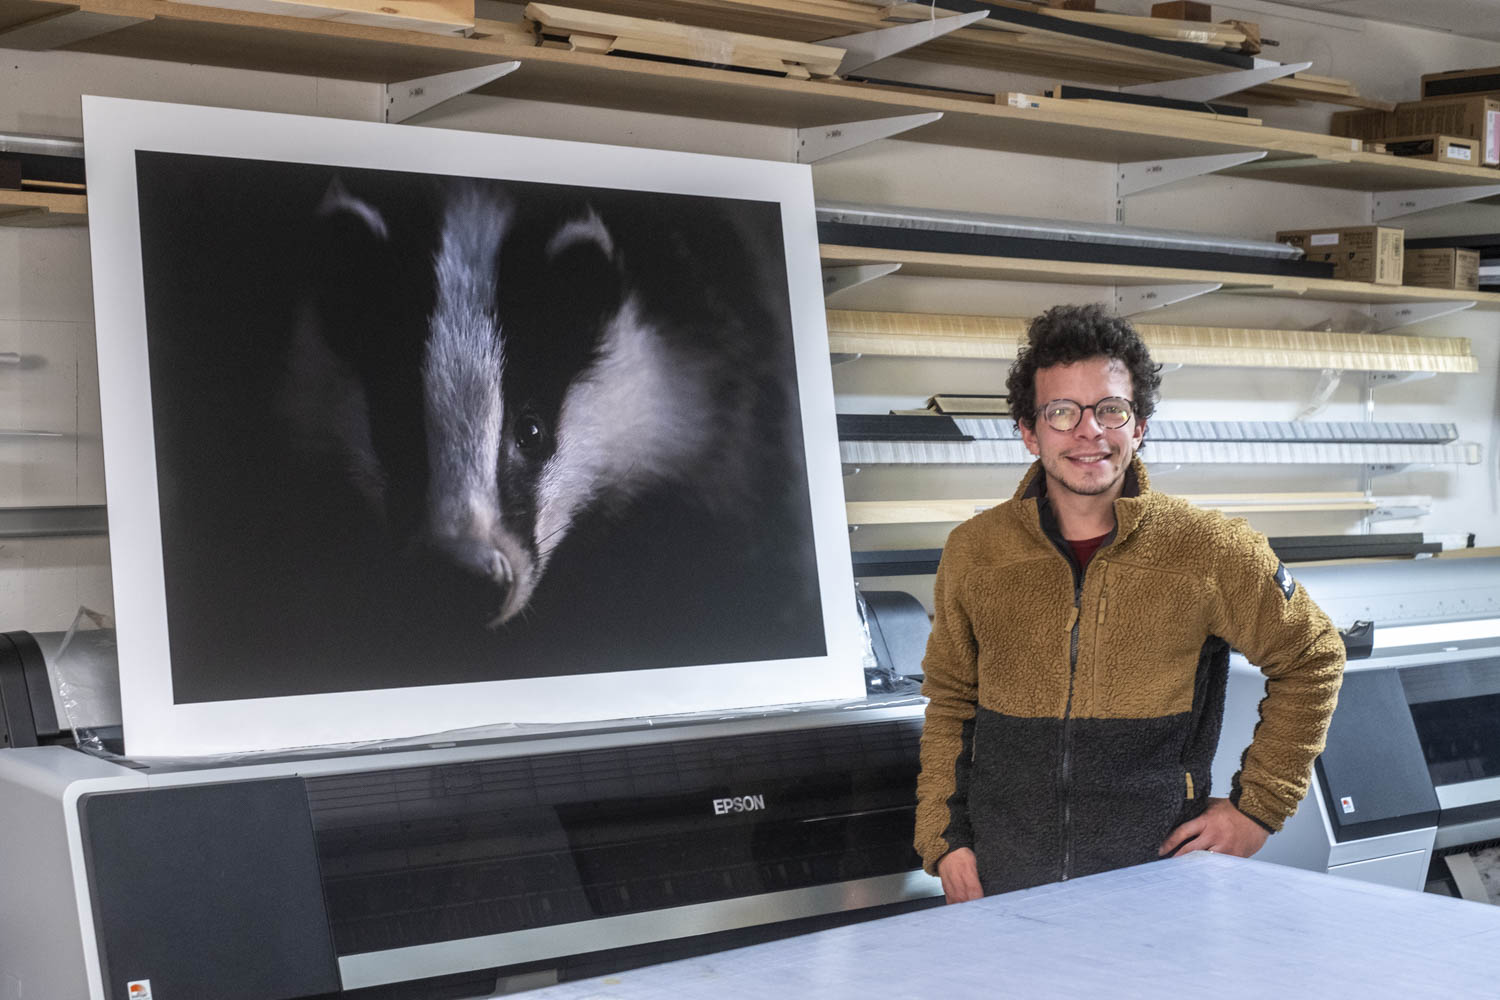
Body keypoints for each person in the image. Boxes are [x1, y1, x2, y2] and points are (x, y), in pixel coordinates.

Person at [913, 303, 1346, 903]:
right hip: (1002, 885)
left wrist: (1257, 810)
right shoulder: (975, 553)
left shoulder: (1209, 550)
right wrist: (944, 838)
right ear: (1029, 432)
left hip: (1159, 882)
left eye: (1110, 409)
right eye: (1061, 412)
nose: (1088, 431)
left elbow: (1313, 655)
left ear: (1137, 425)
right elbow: (951, 700)